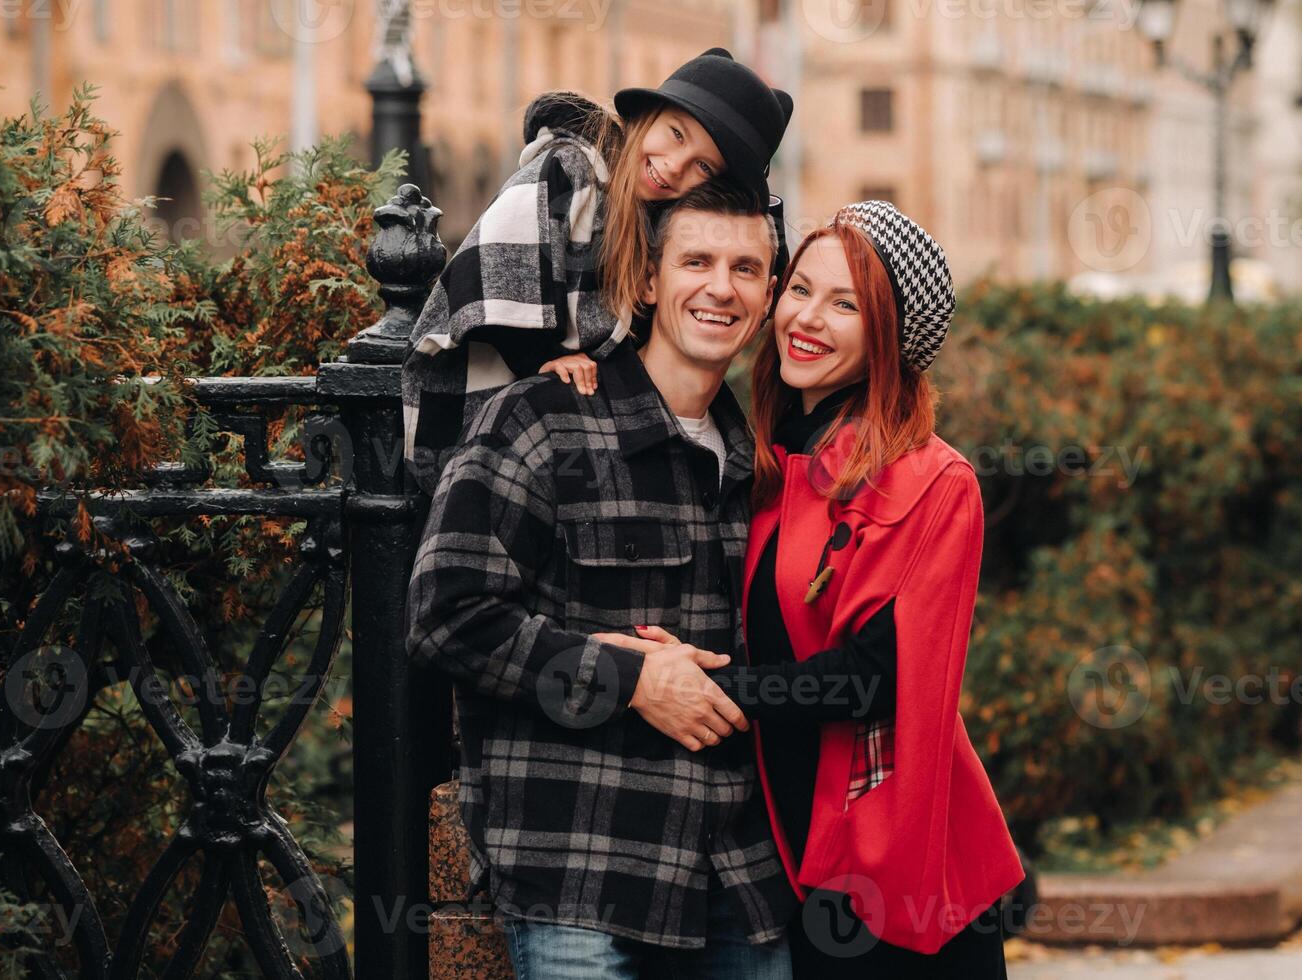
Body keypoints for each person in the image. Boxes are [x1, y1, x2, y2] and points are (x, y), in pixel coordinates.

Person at [607, 201, 1027, 976]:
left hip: (891, 862)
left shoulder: (932, 482)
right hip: (786, 855)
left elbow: (874, 677)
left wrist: (713, 686)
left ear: (888, 341)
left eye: (847, 306)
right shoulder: (762, 461)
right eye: (801, 289)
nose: (808, 318)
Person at [407, 181, 798, 979]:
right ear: (649, 282)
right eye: (697, 261)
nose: (721, 287)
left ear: (767, 295)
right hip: (580, 867)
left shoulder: (766, 464)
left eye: (747, 269)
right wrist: (632, 679)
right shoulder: (539, 419)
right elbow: (446, 614)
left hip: (735, 872)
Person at [401, 48, 793, 494]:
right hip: (474, 419)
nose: (674, 165)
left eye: (703, 166)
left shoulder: (652, 221)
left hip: (558, 441)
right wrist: (539, 356)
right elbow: (493, 270)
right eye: (676, 135)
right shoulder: (572, 167)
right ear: (650, 114)